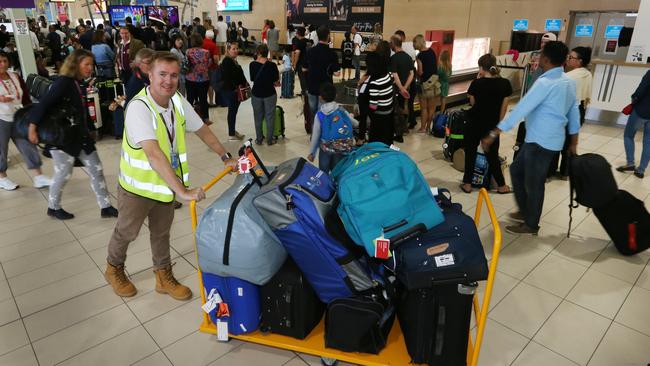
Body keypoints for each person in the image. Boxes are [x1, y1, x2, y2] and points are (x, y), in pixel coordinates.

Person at [104, 51, 237, 300]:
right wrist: (183, 191)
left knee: (162, 232)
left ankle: (163, 276)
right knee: (127, 232)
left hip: (165, 186)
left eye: (174, 75)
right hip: (137, 189)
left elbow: (202, 130)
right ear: (150, 75)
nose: (168, 80)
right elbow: (153, 154)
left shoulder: (177, 100)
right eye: (162, 74)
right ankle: (113, 268)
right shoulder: (139, 108)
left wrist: (224, 156)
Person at [482, 41, 580, 235]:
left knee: (534, 183)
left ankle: (531, 224)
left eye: (541, 54)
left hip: (540, 141)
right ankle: (526, 211)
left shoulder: (545, 83)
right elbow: (574, 112)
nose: (538, 57)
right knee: (517, 171)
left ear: (546, 58)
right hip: (546, 140)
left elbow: (522, 108)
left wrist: (494, 133)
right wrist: (574, 141)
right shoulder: (568, 81)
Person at [28, 49, 118, 220]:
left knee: (96, 169)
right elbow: (43, 104)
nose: (90, 68)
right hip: (63, 139)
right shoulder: (63, 82)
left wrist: (90, 129)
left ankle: (105, 206)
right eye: (87, 64)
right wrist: (32, 126)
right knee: (63, 173)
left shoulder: (78, 83)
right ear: (75, 65)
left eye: (92, 64)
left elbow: (81, 109)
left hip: (80, 136)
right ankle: (53, 207)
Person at [460, 54, 512, 195]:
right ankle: (501, 186)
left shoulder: (476, 83)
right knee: (492, 156)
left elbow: (473, 104)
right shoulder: (505, 84)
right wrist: (498, 126)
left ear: (481, 68)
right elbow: (504, 107)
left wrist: (478, 79)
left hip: (474, 122)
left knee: (470, 153)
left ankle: (468, 184)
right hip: (491, 125)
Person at [0, 51, 51, 191]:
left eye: (5, 60)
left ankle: (38, 176)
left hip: (18, 117)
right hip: (1, 118)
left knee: (27, 144)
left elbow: (25, 96)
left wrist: (30, 113)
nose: (3, 64)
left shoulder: (14, 76)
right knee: (1, 149)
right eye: (0, 62)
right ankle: (2, 177)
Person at [549, 46, 593, 179]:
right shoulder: (588, 74)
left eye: (571, 57)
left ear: (579, 61)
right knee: (569, 143)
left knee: (556, 140)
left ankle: (549, 172)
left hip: (564, 110)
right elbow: (586, 96)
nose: (568, 59)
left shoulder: (568, 76)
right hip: (579, 111)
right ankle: (565, 172)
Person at [307, 82, 358, 172]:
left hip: (326, 148)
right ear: (336, 96)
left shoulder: (320, 115)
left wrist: (312, 153)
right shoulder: (341, 110)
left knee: (323, 172)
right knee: (338, 172)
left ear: (320, 98)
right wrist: (352, 116)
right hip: (341, 147)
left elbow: (315, 135)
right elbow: (355, 123)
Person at [303, 26, 341, 121]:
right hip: (325, 89)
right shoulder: (332, 54)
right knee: (323, 113)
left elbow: (304, 69)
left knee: (313, 111)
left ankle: (314, 131)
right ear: (328, 36)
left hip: (311, 85)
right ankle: (322, 133)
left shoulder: (310, 51)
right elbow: (337, 73)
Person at [617, 70, 650, 179]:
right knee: (648, 142)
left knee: (628, 135)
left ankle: (630, 163)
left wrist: (634, 98)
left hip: (642, 110)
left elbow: (641, 89)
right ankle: (641, 170)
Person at [249, 44, 280, 146]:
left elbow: (253, 78)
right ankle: (270, 140)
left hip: (256, 94)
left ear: (258, 53)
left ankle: (259, 139)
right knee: (269, 117)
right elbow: (276, 81)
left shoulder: (252, 65)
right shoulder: (272, 65)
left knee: (257, 117)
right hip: (269, 94)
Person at [366, 51, 394, 146]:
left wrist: (367, 115)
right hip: (389, 113)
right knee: (386, 141)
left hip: (379, 117)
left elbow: (373, 106)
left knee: (376, 143)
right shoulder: (388, 75)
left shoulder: (375, 83)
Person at [390, 35, 414, 144]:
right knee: (403, 107)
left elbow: (395, 75)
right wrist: (405, 87)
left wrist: (400, 88)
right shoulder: (408, 57)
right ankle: (404, 130)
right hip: (405, 88)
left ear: (394, 44)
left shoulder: (394, 58)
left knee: (396, 110)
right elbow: (412, 74)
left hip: (396, 88)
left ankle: (398, 133)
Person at [220, 42, 246, 141]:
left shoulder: (232, 60)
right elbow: (229, 78)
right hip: (231, 91)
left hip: (233, 90)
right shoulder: (227, 61)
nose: (236, 51)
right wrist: (235, 88)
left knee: (233, 112)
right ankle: (231, 133)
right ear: (228, 50)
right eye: (233, 49)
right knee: (232, 112)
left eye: (237, 48)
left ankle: (232, 130)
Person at [414, 34, 439, 133]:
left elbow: (420, 72)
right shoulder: (432, 51)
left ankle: (423, 128)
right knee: (432, 107)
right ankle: (429, 127)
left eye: (414, 43)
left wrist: (415, 71)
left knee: (424, 108)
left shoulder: (420, 55)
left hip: (424, 84)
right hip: (434, 82)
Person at [185, 33, 211, 123]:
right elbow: (208, 64)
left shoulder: (188, 52)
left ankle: (188, 119)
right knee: (203, 99)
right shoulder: (206, 52)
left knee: (190, 99)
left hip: (190, 78)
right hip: (203, 79)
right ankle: (206, 118)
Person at [203, 30, 219, 106]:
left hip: (202, 68)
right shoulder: (213, 45)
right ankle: (211, 102)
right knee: (211, 85)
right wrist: (217, 64)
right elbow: (215, 58)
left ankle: (204, 101)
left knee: (203, 85)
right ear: (212, 37)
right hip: (211, 67)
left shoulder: (201, 43)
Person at [292, 26, 308, 96]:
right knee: (307, 77)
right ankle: (306, 91)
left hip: (301, 63)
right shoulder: (308, 41)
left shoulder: (300, 43)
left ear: (298, 33)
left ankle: (304, 92)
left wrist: (295, 64)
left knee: (302, 78)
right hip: (308, 62)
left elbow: (297, 53)